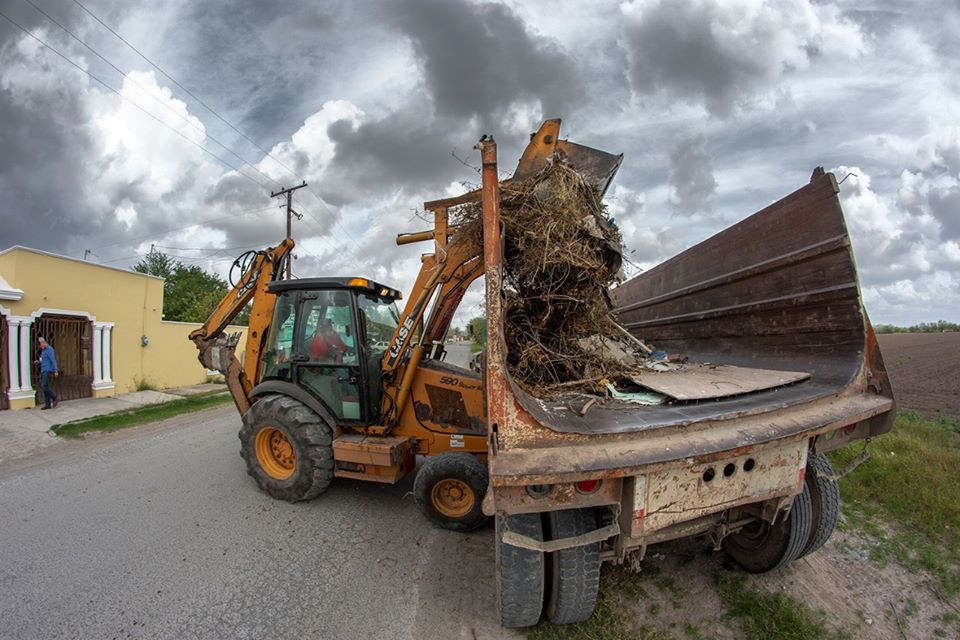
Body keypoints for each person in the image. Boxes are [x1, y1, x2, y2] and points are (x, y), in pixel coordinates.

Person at [36, 336, 59, 410]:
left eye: (40, 344)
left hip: (48, 370)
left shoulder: (49, 349)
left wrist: (55, 370)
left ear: (43, 342)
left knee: (44, 386)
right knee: (45, 387)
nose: (40, 346)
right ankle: (47, 404)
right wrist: (39, 362)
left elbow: (53, 360)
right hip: (43, 369)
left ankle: (55, 398)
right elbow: (44, 360)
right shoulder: (43, 351)